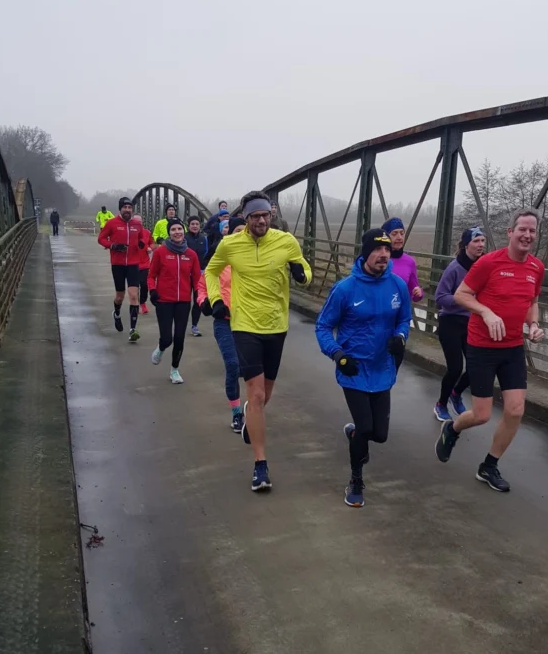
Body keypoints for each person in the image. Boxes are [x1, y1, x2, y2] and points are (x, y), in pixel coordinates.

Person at [205, 191, 312, 492]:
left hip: (277, 325)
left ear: (271, 215)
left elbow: (306, 271)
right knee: (256, 395)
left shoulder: (285, 241)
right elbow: (211, 272)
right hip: (244, 325)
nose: (262, 221)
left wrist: (299, 273)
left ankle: (252, 423)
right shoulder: (230, 244)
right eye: (255, 217)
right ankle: (260, 466)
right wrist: (215, 300)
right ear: (247, 218)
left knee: (264, 396)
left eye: (266, 215)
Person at [435, 209, 545, 492]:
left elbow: (532, 301)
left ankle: (489, 466)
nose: (527, 235)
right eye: (522, 229)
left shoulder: (536, 267)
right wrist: (486, 312)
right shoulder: (488, 263)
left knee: (515, 410)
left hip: (512, 348)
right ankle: (453, 428)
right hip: (482, 346)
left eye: (532, 230)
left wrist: (533, 324)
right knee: (482, 414)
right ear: (510, 232)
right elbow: (460, 295)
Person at [316, 229, 411, 507]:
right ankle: (355, 480)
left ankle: (355, 434)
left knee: (379, 435)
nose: (384, 255)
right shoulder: (345, 289)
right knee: (366, 426)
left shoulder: (397, 286)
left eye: (387, 250)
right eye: (377, 250)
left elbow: (404, 319)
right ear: (365, 252)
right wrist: (337, 354)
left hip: (383, 368)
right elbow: (323, 326)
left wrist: (401, 337)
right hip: (353, 369)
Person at [196, 216, 247, 432]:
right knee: (233, 365)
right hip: (224, 322)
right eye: (236, 230)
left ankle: (254, 410)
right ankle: (237, 414)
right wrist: (205, 303)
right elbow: (202, 285)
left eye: (244, 231)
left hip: (249, 323)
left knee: (252, 370)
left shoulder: (255, 258)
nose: (241, 234)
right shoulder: (219, 257)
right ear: (227, 233)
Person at [433, 227, 487, 421]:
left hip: (472, 323)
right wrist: (463, 300)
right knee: (455, 368)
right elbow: (440, 296)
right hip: (450, 322)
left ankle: (456, 394)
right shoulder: (455, 268)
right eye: (476, 241)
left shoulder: (484, 266)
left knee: (476, 367)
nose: (481, 245)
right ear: (466, 245)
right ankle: (441, 404)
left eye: (482, 241)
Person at [147, 218, 201, 383]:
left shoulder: (191, 255)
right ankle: (161, 348)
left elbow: (197, 279)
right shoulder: (160, 252)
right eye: (173, 230)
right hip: (164, 301)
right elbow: (151, 276)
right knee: (167, 338)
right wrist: (153, 291)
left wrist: (199, 295)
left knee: (179, 338)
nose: (177, 232)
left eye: (179, 229)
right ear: (169, 233)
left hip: (183, 302)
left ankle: (174, 370)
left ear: (183, 231)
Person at [98, 197, 142, 343]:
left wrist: (142, 243)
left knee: (134, 295)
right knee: (120, 296)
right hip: (117, 264)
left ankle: (133, 330)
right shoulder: (112, 223)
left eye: (130, 208)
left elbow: (142, 237)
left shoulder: (137, 224)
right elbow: (101, 239)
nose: (128, 210)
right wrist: (113, 245)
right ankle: (116, 313)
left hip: (133, 264)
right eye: (125, 208)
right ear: (120, 209)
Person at [381, 218, 424, 304]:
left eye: (402, 233)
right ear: (385, 237)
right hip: (379, 310)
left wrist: (419, 293)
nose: (399, 237)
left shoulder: (409, 261)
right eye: (394, 234)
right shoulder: (378, 259)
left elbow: (414, 290)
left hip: (401, 312)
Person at [185, 215, 209, 336]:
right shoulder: (184, 238)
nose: (195, 226)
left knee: (198, 300)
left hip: (199, 274)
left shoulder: (203, 239)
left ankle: (194, 326)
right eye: (192, 224)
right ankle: (182, 324)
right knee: (185, 301)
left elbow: (206, 254)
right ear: (188, 226)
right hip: (185, 274)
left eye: (197, 224)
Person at [131, 215, 154, 315]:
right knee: (134, 287)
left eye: (140, 221)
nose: (138, 223)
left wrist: (150, 248)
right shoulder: (129, 232)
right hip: (132, 264)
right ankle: (135, 304)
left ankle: (142, 302)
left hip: (145, 264)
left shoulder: (147, 232)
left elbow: (152, 243)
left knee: (144, 285)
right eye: (136, 221)